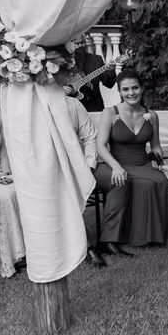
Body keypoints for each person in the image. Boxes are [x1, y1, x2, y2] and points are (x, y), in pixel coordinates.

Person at [95, 70, 168, 252]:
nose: (131, 93)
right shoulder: (110, 113)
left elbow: (155, 146)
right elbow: (100, 145)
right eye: (126, 89)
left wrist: (156, 160)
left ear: (142, 88)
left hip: (143, 163)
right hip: (118, 163)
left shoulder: (151, 115)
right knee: (143, 184)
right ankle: (131, 235)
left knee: (161, 182)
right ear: (120, 92)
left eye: (135, 88)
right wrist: (115, 167)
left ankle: (155, 234)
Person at [65, 96, 107, 268]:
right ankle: (88, 246)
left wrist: (89, 166)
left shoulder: (73, 104)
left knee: (118, 181)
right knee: (68, 188)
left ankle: (110, 239)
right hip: (47, 168)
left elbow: (90, 136)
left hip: (78, 164)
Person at [0, 109, 25, 279]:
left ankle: (23, 252)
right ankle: (8, 256)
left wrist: (5, 173)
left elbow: (4, 150)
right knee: (4, 197)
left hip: (0, 173)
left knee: (20, 190)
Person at [63, 34, 117, 112]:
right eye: (76, 43)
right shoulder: (62, 61)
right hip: (70, 108)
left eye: (82, 42)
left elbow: (109, 84)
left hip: (93, 108)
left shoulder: (96, 60)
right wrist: (61, 89)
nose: (80, 46)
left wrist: (111, 70)